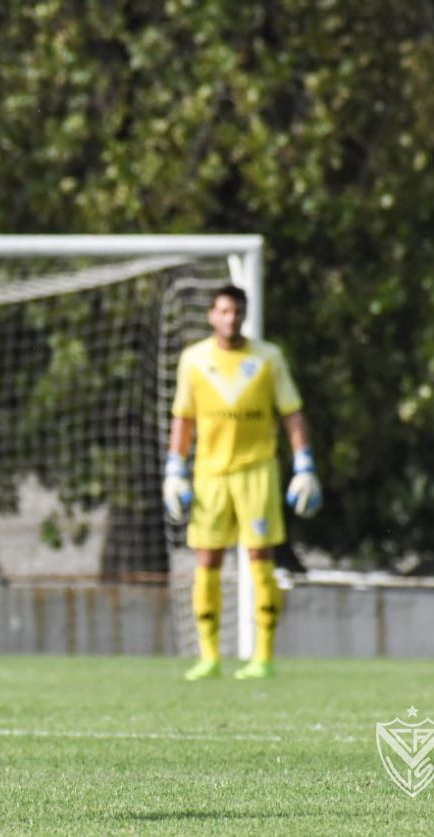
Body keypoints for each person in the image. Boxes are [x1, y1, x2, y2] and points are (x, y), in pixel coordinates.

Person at [163, 284, 321, 681]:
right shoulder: (194, 360)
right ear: (211, 315)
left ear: (245, 315)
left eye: (236, 312)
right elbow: (184, 418)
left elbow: (291, 412)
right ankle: (209, 657)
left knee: (260, 560)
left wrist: (304, 465)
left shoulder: (268, 358)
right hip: (211, 475)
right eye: (223, 311)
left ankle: (263, 657)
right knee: (207, 560)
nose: (230, 318)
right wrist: (174, 469)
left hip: (257, 472)